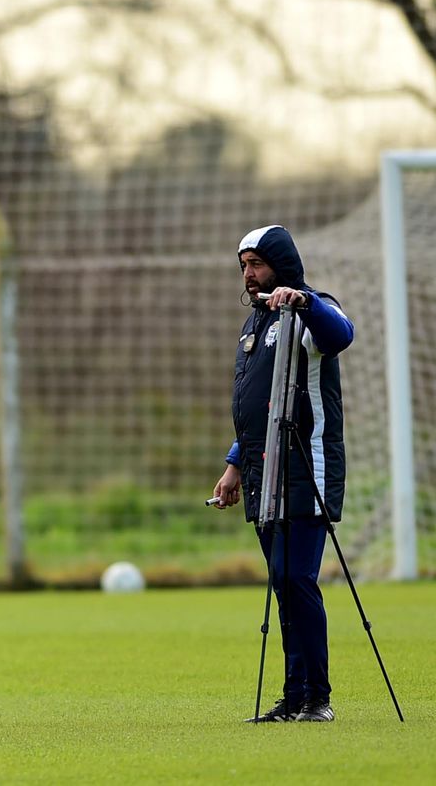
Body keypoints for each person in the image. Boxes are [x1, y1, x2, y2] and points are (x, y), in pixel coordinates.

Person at [211, 225, 353, 724]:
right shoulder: (255, 322)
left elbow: (341, 334)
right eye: (243, 266)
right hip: (261, 472)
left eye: (257, 264)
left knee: (296, 578)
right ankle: (293, 698)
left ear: (282, 264)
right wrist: (233, 465)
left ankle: (317, 697)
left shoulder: (310, 309)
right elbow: (258, 407)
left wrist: (304, 302)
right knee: (282, 581)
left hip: (305, 468)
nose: (248, 275)